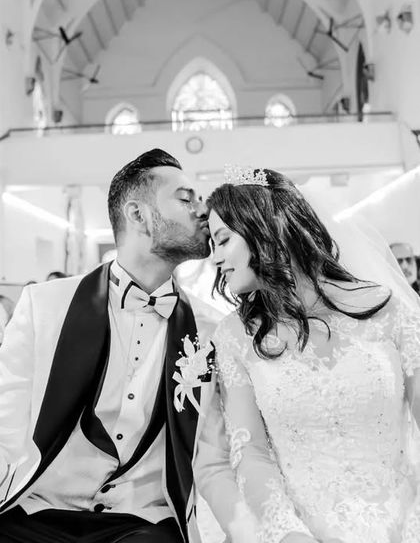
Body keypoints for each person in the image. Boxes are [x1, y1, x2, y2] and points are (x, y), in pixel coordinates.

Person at [0, 148, 215, 543]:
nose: (203, 210)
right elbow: (4, 418)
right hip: (34, 511)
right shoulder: (44, 305)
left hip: (143, 521)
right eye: (186, 198)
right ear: (137, 215)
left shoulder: (211, 328)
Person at [196, 167, 420, 543]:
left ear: (262, 228)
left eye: (223, 240)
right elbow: (249, 452)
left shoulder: (389, 311)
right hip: (302, 531)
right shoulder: (235, 337)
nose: (215, 259)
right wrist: (288, 534)